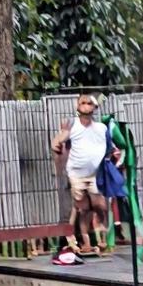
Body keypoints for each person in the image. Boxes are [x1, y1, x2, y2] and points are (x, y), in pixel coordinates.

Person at [51, 94, 117, 255]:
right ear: (77, 107)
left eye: (89, 103)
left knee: (100, 205)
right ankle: (86, 243)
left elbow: (111, 148)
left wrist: (113, 156)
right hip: (76, 174)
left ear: (95, 108)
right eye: (83, 103)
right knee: (83, 209)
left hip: (96, 174)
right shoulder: (72, 126)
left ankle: (103, 237)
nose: (86, 105)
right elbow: (57, 142)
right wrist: (57, 143)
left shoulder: (101, 128)